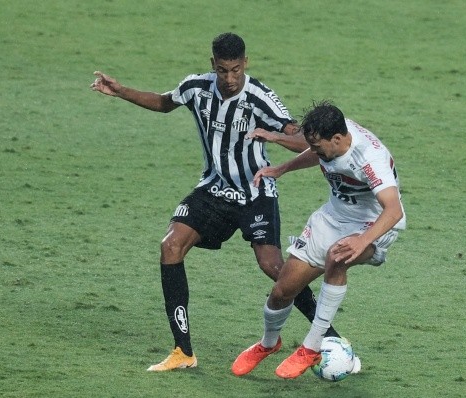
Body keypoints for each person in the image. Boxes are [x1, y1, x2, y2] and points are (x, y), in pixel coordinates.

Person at [91, 33, 340, 371]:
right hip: (213, 189)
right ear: (213, 66)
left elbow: (302, 139)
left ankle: (331, 338)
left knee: (273, 268)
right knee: (170, 246)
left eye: (235, 70)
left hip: (255, 192)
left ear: (245, 64)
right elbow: (165, 102)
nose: (229, 79)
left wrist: (276, 136)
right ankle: (183, 352)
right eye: (222, 70)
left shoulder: (260, 97)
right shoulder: (196, 87)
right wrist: (120, 91)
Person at [231, 101, 406, 379]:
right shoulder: (332, 137)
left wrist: (362, 241)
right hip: (332, 217)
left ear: (337, 138)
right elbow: (320, 154)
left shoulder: (370, 159)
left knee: (338, 256)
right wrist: (283, 168)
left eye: (316, 145)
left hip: (372, 224)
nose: (313, 150)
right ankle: (268, 344)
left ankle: (311, 347)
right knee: (282, 291)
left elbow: (393, 209)